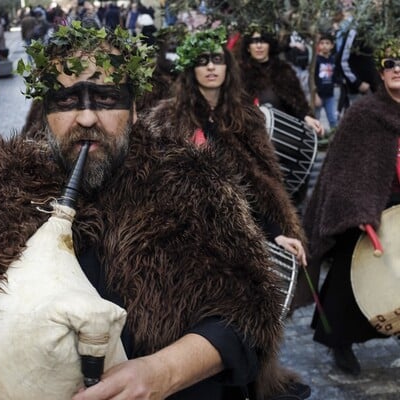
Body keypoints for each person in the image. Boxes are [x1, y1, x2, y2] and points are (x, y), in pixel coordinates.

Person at [0, 22, 289, 399]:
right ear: (45, 110)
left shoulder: (191, 183)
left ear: (133, 107)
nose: (87, 118)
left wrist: (161, 373)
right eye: (68, 100)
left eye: (106, 98)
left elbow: (247, 314)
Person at [144, 27, 310, 399]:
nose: (210, 68)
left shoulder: (245, 117)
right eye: (201, 61)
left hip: (245, 237)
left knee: (250, 317)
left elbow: (261, 187)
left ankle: (253, 380)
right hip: (190, 238)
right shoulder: (167, 119)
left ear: (228, 66)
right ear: (190, 70)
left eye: (217, 59)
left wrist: (276, 232)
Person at [301, 37, 400, 376]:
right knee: (349, 272)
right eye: (390, 64)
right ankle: (337, 340)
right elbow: (342, 171)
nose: (397, 69)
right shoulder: (364, 114)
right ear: (380, 72)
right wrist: (359, 209)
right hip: (369, 205)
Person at [238, 24, 324, 206]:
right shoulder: (239, 74)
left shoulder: (284, 70)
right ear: (247, 46)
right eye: (254, 42)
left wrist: (308, 117)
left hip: (284, 144)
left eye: (263, 41)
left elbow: (298, 102)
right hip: (252, 146)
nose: (259, 46)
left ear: (270, 44)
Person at [314, 33, 338, 133]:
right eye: (322, 43)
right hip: (318, 95)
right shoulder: (316, 60)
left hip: (330, 95)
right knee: (316, 120)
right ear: (318, 45)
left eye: (327, 43)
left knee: (333, 118)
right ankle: (315, 139)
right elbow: (311, 79)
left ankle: (334, 137)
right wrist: (315, 95)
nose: (324, 45)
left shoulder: (333, 59)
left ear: (332, 45)